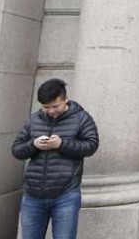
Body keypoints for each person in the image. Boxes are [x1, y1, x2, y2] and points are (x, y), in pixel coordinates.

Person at [11, 78, 99, 239]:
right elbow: (17, 150)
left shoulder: (81, 118)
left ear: (66, 100)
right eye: (46, 107)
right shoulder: (34, 119)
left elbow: (91, 146)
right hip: (32, 195)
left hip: (65, 195)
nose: (51, 111)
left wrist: (61, 144)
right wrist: (34, 144)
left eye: (55, 106)